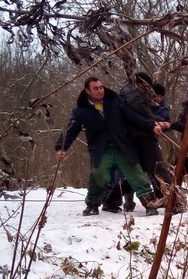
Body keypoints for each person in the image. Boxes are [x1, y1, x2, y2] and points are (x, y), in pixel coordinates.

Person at [54, 76, 163, 216]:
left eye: (101, 87)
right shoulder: (80, 110)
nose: (100, 90)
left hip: (121, 147)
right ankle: (92, 204)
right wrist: (61, 147)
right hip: (101, 150)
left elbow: (131, 116)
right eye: (96, 88)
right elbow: (70, 130)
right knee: (99, 175)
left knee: (137, 173)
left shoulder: (114, 101)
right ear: (87, 91)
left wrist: (151, 125)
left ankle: (150, 205)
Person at [105, 72, 187, 214]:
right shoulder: (134, 95)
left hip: (134, 136)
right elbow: (141, 113)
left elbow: (141, 113)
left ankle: (111, 200)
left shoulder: (129, 92)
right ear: (143, 83)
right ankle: (171, 202)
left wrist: (156, 122)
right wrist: (153, 123)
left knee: (138, 172)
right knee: (158, 168)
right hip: (142, 136)